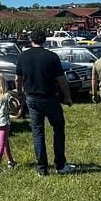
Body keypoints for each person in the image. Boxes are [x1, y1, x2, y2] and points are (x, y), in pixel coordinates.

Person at [15, 29, 75, 176]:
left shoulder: (23, 56)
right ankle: (60, 165)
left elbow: (18, 79)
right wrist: (67, 97)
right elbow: (62, 81)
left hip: (32, 98)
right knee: (58, 130)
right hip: (50, 98)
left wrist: (20, 93)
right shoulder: (52, 57)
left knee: (38, 133)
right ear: (45, 41)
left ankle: (42, 168)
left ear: (31, 40)